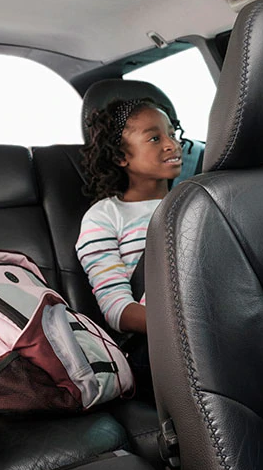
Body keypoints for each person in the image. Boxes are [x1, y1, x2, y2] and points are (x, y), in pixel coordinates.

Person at [77, 97, 186, 399]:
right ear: (121, 157)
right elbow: (117, 309)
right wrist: (186, 326)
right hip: (156, 344)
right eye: (155, 138)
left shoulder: (197, 201)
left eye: (172, 134)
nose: (171, 145)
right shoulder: (104, 218)